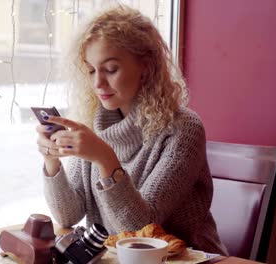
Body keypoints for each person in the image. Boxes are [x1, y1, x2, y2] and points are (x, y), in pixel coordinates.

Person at [35, 5, 228, 255]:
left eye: (111, 69)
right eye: (91, 70)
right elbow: (68, 215)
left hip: (187, 259)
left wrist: (105, 158)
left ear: (146, 66)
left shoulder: (183, 130)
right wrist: (52, 161)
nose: (97, 83)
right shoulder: (94, 124)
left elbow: (140, 230)